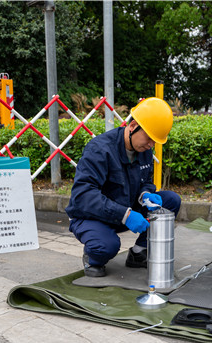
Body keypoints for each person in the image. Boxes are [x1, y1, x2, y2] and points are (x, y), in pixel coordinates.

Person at [65, 97, 181, 277]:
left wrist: (145, 194)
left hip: (125, 209)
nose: (151, 145)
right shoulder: (100, 150)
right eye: (149, 138)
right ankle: (93, 257)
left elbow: (146, 181)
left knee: (170, 201)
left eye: (155, 142)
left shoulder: (144, 150)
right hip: (91, 216)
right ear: (133, 126)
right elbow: (84, 196)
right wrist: (124, 215)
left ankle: (139, 253)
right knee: (106, 246)